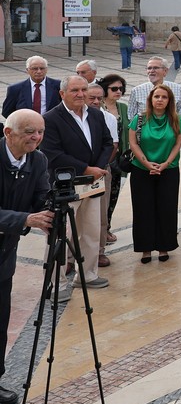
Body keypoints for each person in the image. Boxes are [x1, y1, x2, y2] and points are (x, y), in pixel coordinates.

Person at [0, 110, 53, 404]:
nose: (36, 138)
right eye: (29, 132)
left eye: (40, 132)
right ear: (9, 133)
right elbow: (25, 214)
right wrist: (25, 219)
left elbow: (41, 196)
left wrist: (53, 206)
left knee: (0, 323)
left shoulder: (38, 160)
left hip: (4, 256)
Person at [41, 76, 114, 289]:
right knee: (61, 235)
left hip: (92, 183)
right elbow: (52, 153)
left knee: (91, 232)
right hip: (66, 185)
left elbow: (107, 143)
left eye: (83, 89)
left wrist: (98, 169)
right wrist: (86, 169)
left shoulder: (97, 115)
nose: (80, 94)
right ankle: (56, 283)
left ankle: (88, 275)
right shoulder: (51, 119)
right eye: (75, 90)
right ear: (62, 93)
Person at [129, 84, 181, 263]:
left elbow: (177, 144)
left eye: (164, 97)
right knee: (143, 209)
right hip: (141, 169)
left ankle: (164, 246)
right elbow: (133, 143)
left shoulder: (176, 119)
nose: (160, 100)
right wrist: (146, 163)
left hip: (168, 169)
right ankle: (145, 248)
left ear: (169, 101)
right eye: (157, 97)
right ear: (150, 99)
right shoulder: (139, 119)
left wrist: (165, 163)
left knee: (167, 208)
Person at [86, 83, 118, 269]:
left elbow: (112, 146)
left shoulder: (108, 118)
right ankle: (71, 256)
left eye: (99, 98)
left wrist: (97, 168)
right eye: (92, 98)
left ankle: (99, 251)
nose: (96, 101)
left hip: (101, 172)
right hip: (79, 172)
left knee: (100, 213)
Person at [97, 74, 128, 245]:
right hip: (102, 160)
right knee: (100, 197)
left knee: (113, 195)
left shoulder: (123, 108)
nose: (118, 91)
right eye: (114, 88)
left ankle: (106, 227)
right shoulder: (98, 108)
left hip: (118, 160)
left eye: (121, 89)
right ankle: (98, 231)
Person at [128, 56, 181, 121]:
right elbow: (131, 117)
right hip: (145, 129)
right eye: (149, 68)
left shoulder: (177, 88)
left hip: (170, 129)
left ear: (165, 71)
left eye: (155, 68)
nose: (152, 71)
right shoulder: (136, 91)